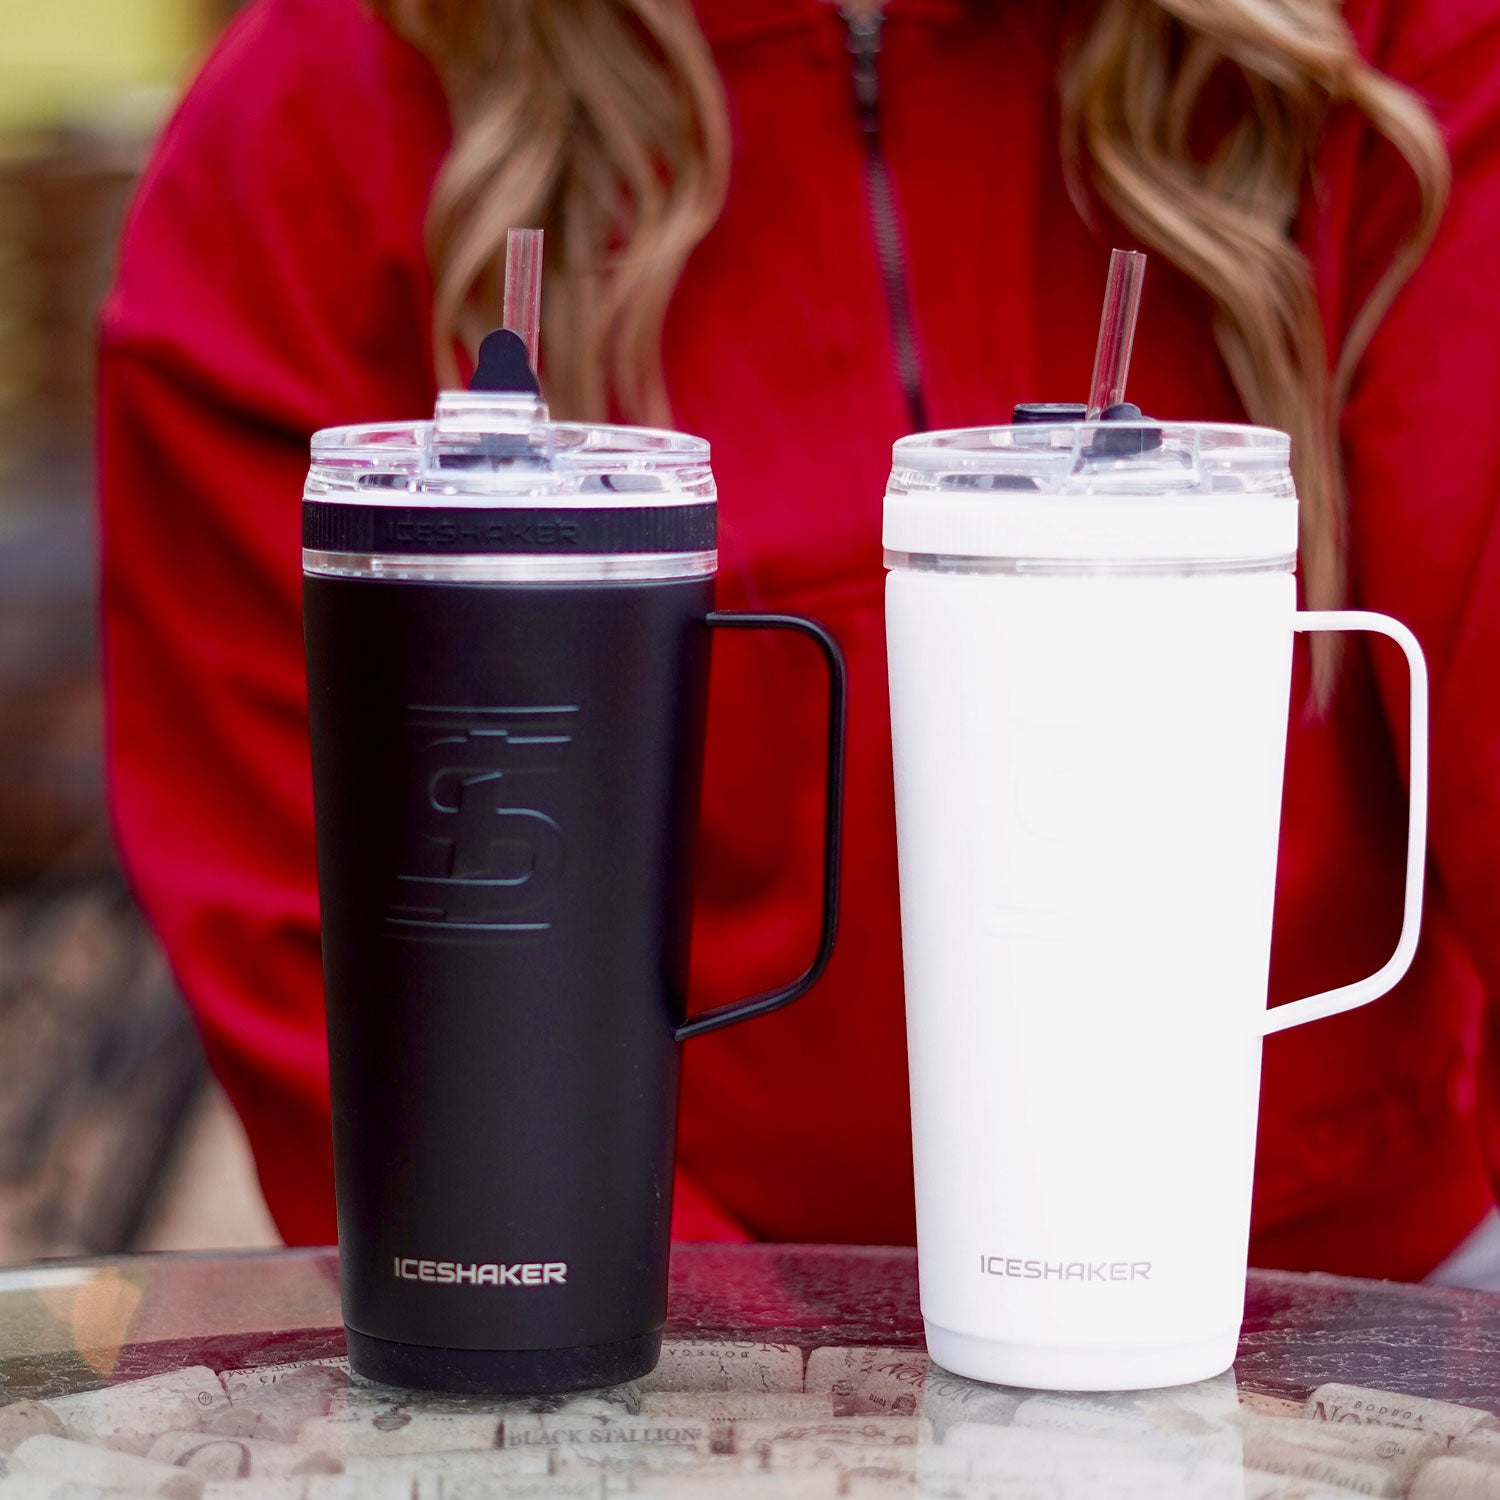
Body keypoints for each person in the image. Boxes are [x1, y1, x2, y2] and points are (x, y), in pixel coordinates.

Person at [100, 0, 1500, 1280]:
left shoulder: (1383, 41)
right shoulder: (302, 139)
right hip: (656, 1369)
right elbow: (329, 944)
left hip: (1336, 1302)